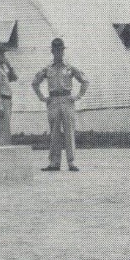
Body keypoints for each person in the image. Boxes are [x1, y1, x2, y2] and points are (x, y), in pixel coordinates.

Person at [32, 37, 87, 172]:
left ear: (63, 51)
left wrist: (77, 96)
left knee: (69, 131)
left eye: (61, 50)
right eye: (56, 50)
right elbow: (35, 83)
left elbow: (85, 81)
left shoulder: (69, 67)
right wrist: (42, 98)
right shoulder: (47, 68)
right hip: (53, 100)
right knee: (54, 132)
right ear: (52, 51)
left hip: (67, 100)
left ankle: (71, 162)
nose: (59, 53)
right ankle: (54, 163)